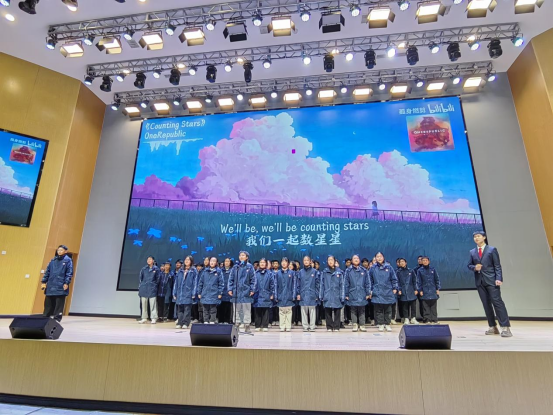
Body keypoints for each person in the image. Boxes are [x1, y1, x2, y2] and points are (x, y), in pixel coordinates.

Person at [468, 231, 512, 337]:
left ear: (484, 237)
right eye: (474, 237)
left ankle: (505, 327)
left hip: (492, 280)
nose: (476, 238)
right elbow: (469, 265)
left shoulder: (492, 250)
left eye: (478, 236)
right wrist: (474, 267)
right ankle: (492, 326)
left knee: (497, 303)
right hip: (480, 281)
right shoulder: (472, 251)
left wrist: (498, 278)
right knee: (486, 304)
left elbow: (497, 265)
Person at [41, 245, 73, 322]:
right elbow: (47, 272)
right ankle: (46, 317)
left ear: (65, 251)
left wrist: (66, 283)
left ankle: (57, 318)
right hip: (51, 284)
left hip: (61, 284)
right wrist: (44, 281)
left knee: (59, 303)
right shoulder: (53, 260)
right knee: (48, 302)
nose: (59, 251)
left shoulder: (68, 261)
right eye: (58, 250)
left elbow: (69, 273)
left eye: (61, 250)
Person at [369, 252, 398, 332]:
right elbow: (370, 280)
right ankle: (381, 324)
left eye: (380, 256)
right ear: (375, 258)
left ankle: (387, 324)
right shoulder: (373, 268)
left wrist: (395, 288)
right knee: (379, 310)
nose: (379, 258)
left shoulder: (389, 267)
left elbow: (394, 279)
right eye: (377, 256)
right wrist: (370, 290)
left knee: (388, 309)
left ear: (383, 257)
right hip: (377, 291)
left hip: (388, 291)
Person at [228, 251, 256, 332]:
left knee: (246, 309)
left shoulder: (250, 267)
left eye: (243, 255)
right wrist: (230, 289)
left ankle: (247, 325)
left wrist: (252, 289)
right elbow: (231, 279)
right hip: (236, 291)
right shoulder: (236, 267)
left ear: (247, 257)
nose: (241, 257)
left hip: (246, 291)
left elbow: (253, 279)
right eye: (240, 255)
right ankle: (237, 324)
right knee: (237, 309)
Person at [344, 254, 371, 332]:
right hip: (352, 292)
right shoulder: (348, 270)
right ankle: (355, 324)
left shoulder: (364, 270)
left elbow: (367, 283)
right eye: (354, 258)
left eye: (357, 258)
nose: (356, 259)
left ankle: (362, 325)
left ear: (359, 260)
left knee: (362, 309)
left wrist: (368, 293)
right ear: (352, 261)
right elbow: (346, 283)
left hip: (362, 292)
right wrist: (346, 294)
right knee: (353, 310)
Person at [319, 255, 344, 332]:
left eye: (331, 260)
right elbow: (322, 284)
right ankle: (329, 326)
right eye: (329, 260)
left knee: (337, 311)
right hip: (327, 293)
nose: (330, 261)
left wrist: (342, 295)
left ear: (334, 261)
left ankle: (336, 326)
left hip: (337, 293)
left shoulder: (339, 272)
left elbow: (342, 285)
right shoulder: (324, 272)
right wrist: (321, 295)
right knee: (328, 310)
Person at [296, 255, 320, 332]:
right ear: (303, 262)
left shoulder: (315, 272)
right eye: (304, 260)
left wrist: (317, 294)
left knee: (312, 311)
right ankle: (305, 326)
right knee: (303, 311)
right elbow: (298, 284)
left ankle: (312, 326)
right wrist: (298, 293)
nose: (306, 261)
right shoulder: (300, 272)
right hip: (303, 293)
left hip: (312, 293)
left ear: (310, 262)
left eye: (307, 260)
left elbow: (317, 284)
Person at [197, 257, 224, 324]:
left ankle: (212, 321)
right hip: (205, 293)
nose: (212, 262)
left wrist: (220, 293)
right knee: (205, 309)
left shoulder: (218, 272)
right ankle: (206, 321)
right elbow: (200, 283)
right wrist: (199, 292)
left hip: (214, 293)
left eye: (214, 261)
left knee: (213, 309)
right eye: (211, 261)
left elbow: (221, 283)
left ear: (216, 263)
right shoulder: (205, 271)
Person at [173, 256, 198, 329]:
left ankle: (186, 323)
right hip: (180, 292)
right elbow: (176, 282)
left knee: (187, 309)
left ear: (191, 261)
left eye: (188, 260)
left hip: (188, 292)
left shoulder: (193, 270)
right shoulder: (180, 270)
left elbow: (195, 282)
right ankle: (179, 322)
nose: (186, 261)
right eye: (186, 259)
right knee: (180, 309)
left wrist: (193, 293)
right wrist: (174, 293)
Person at [252, 258, 275, 332]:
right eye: (261, 262)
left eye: (263, 262)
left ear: (266, 264)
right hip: (257, 294)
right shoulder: (255, 273)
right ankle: (257, 325)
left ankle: (265, 325)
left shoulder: (270, 273)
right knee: (257, 310)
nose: (262, 264)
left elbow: (272, 284)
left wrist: (272, 293)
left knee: (266, 310)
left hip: (266, 294)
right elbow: (252, 283)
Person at [416, 256, 441, 324]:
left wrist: (437, 288)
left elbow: (437, 279)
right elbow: (418, 281)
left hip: (433, 290)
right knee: (425, 306)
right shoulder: (419, 270)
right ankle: (427, 319)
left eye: (426, 260)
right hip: (425, 291)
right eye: (423, 260)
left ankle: (434, 319)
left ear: (428, 261)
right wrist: (420, 290)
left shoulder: (433, 269)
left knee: (433, 306)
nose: (425, 262)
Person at [138, 256, 160, 324]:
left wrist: (153, 285)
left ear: (153, 261)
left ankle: (154, 318)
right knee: (144, 304)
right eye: (148, 259)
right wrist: (142, 285)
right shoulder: (144, 269)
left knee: (153, 304)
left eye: (150, 259)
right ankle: (144, 318)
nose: (149, 260)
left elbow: (158, 279)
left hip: (152, 288)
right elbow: (140, 278)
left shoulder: (156, 269)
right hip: (144, 288)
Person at [275, 258, 295, 332]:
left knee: (289, 311)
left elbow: (294, 284)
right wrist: (276, 295)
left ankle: (288, 326)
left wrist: (293, 295)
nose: (283, 263)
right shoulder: (278, 273)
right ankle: (282, 326)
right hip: (280, 295)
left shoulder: (292, 273)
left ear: (288, 263)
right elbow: (275, 285)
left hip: (289, 294)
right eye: (282, 262)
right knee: (281, 311)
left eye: (285, 262)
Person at [396, 258, 418, 324]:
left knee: (413, 305)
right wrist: (399, 289)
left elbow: (415, 281)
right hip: (403, 290)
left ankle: (413, 318)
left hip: (411, 290)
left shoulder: (411, 271)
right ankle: (406, 318)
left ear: (406, 263)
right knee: (404, 306)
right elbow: (397, 282)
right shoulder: (398, 272)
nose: (402, 263)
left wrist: (416, 289)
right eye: (400, 262)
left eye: (403, 261)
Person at [217, 258, 234, 324]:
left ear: (230, 262)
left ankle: (227, 320)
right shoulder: (220, 270)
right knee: (221, 307)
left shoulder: (232, 270)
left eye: (228, 261)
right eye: (225, 261)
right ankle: (220, 320)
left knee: (228, 307)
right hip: (221, 291)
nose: (226, 262)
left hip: (229, 291)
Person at [270, 260, 280, 326]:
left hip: (279, 292)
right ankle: (273, 320)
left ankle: (278, 320)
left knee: (278, 307)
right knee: (273, 307)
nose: (275, 265)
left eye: (277, 263)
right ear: (272, 265)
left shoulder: (280, 272)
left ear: (279, 265)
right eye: (274, 264)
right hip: (273, 292)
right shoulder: (270, 273)